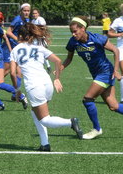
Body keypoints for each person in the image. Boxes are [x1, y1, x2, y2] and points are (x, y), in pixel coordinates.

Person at [62, 16, 123, 140]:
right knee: (114, 106)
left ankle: (96, 129)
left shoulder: (97, 38)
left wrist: (116, 70)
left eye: (75, 31)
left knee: (87, 99)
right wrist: (60, 68)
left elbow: (116, 50)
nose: (73, 34)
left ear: (83, 28)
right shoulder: (73, 42)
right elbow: (69, 58)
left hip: (106, 72)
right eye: (71, 32)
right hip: (96, 74)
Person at [10, 23, 83, 151]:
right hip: (47, 83)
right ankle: (45, 144)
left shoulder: (15, 50)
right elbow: (58, 61)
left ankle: (70, 122)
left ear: (20, 36)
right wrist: (57, 79)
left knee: (44, 119)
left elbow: (12, 73)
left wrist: (17, 90)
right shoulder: (38, 47)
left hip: (34, 86)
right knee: (35, 112)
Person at [4, 3, 32, 99]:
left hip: (18, 48)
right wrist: (17, 39)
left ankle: (15, 94)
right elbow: (8, 32)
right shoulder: (17, 19)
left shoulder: (27, 20)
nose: (26, 12)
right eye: (24, 10)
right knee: (6, 71)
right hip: (10, 47)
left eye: (28, 11)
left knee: (19, 72)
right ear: (21, 11)